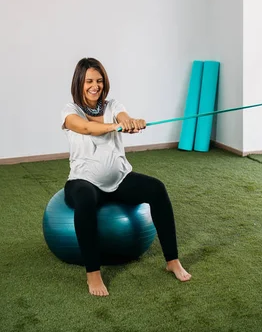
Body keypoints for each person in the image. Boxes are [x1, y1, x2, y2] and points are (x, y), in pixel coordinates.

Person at [62, 57, 191, 296]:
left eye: (99, 80)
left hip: (119, 179)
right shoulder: (71, 111)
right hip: (83, 181)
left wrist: (130, 122)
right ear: (79, 82)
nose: (95, 85)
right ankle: (93, 273)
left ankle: (172, 260)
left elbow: (123, 117)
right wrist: (115, 127)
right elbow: (87, 128)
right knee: (85, 200)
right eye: (89, 80)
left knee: (157, 189)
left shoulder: (112, 105)